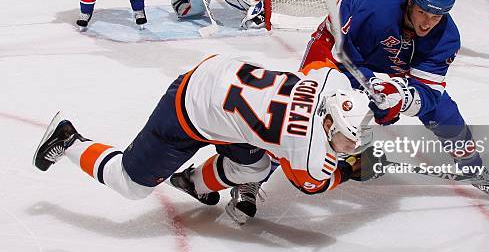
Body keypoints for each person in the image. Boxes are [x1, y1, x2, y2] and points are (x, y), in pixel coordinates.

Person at [33, 54, 373, 225]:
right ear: (328, 123)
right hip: (188, 111)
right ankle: (69, 138)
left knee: (257, 164)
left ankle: (194, 182)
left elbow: (319, 64)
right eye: (346, 141)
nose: (351, 149)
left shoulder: (332, 83)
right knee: (130, 185)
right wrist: (349, 170)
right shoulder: (311, 155)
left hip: (221, 73)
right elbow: (313, 183)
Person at [298, 0, 489, 201]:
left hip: (392, 59)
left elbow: (428, 92)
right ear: (410, 1)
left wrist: (399, 98)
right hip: (337, 47)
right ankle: (255, 172)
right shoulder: (373, 8)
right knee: (303, 107)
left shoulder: (446, 37)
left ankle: (473, 168)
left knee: (444, 113)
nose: (427, 23)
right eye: (422, 12)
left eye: (436, 16)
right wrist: (371, 85)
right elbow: (345, 61)